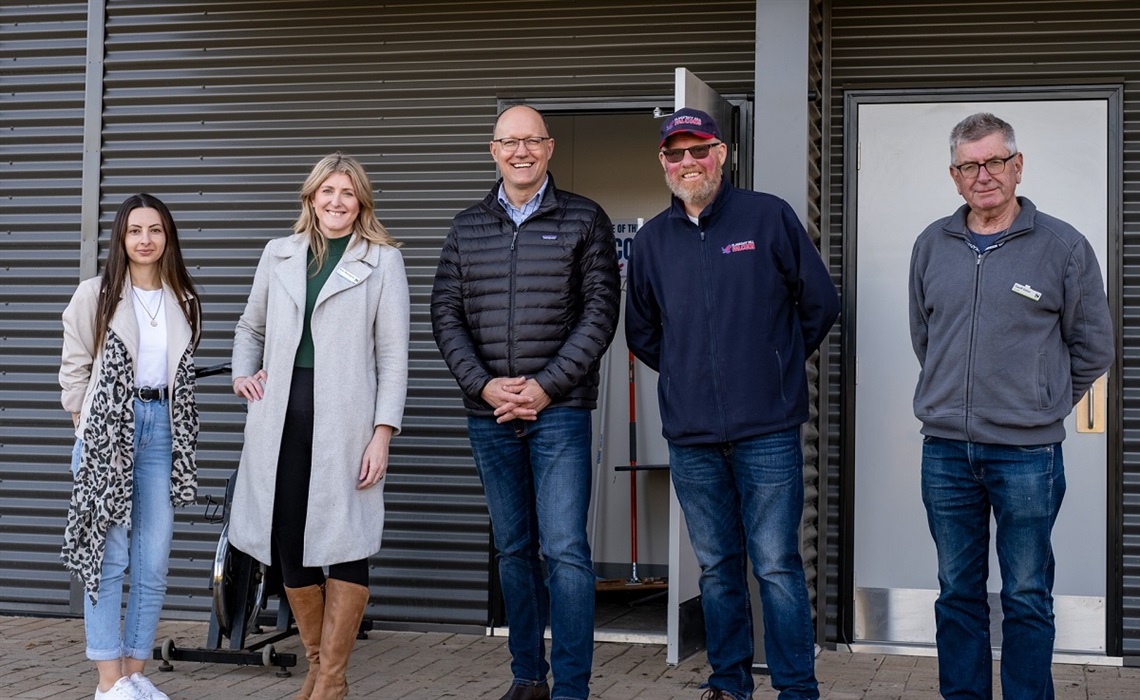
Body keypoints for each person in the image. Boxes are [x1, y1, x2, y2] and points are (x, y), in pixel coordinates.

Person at [625, 108, 838, 700]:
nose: (688, 162)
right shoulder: (651, 242)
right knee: (717, 568)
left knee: (775, 565)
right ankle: (729, 682)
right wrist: (693, 373)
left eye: (699, 150)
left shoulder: (766, 216)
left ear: (722, 154)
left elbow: (819, 303)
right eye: (676, 153)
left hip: (767, 427)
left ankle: (797, 688)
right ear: (664, 163)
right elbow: (641, 332)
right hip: (691, 433)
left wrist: (772, 365)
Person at [908, 112, 1113, 699]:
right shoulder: (931, 245)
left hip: (1028, 456)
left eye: (995, 161)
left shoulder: (1063, 246)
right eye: (969, 165)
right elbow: (926, 336)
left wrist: (1043, 402)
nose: (983, 175)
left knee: (1025, 593)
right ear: (954, 175)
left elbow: (1094, 345)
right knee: (957, 592)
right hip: (946, 451)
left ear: (1017, 166)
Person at [430, 104, 621, 700]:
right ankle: (526, 677)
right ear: (493, 150)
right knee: (513, 549)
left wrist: (545, 386)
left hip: (559, 412)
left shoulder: (585, 219)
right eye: (509, 142)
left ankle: (571, 686)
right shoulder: (466, 227)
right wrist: (485, 387)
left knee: (564, 549)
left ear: (550, 147)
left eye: (531, 141)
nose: (521, 151)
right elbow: (445, 315)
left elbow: (600, 314)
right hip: (489, 413)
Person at [228, 153, 409, 700]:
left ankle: (328, 682)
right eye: (326, 191)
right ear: (311, 198)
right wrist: (242, 373)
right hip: (279, 419)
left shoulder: (383, 261)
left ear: (361, 202)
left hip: (349, 424)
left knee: (348, 540)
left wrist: (383, 432)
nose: (336, 202)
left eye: (347, 193)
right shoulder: (278, 254)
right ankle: (321, 668)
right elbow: (249, 325)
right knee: (288, 540)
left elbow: (394, 353)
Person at [60, 193, 202, 700]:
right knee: (109, 556)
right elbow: (75, 367)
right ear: (121, 237)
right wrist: (84, 424)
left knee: (154, 558)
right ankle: (108, 682)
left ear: (168, 238)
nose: (146, 239)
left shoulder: (181, 297)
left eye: (156, 230)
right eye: (136, 230)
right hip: (108, 434)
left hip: (161, 427)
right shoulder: (94, 294)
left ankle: (135, 674)